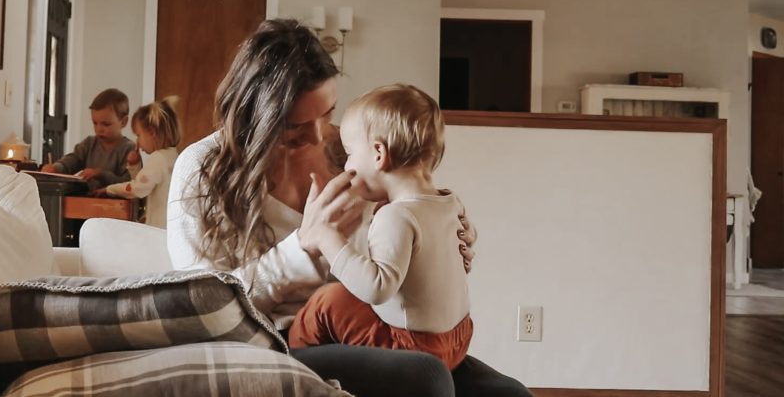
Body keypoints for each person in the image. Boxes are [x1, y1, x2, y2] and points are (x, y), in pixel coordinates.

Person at [167, 19, 532, 396]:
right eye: (296, 126)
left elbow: (406, 222)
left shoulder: (348, 150)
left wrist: (443, 239)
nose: (319, 135)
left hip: (378, 325)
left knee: (508, 394)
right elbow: (203, 308)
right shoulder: (202, 169)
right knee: (425, 378)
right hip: (276, 338)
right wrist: (301, 249)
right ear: (254, 115)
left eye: (326, 114)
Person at [289, 84, 473, 371]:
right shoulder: (449, 202)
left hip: (415, 348)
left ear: (378, 153)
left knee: (327, 301)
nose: (347, 164)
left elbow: (377, 288)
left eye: (349, 152)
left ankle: (295, 366)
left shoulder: (397, 216)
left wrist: (328, 238)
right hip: (458, 338)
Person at [103, 96, 181, 228]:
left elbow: (137, 189)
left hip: (158, 230)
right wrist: (134, 166)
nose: (137, 142)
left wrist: (109, 189)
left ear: (152, 133)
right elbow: (146, 185)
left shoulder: (158, 158)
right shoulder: (173, 156)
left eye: (139, 135)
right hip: (170, 229)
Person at [41, 88, 136, 194]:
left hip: (116, 206)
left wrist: (100, 174)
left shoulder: (129, 149)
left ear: (123, 122)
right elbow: (72, 160)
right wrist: (56, 168)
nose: (99, 129)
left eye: (106, 124)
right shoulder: (89, 144)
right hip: (87, 203)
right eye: (95, 123)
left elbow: (129, 184)